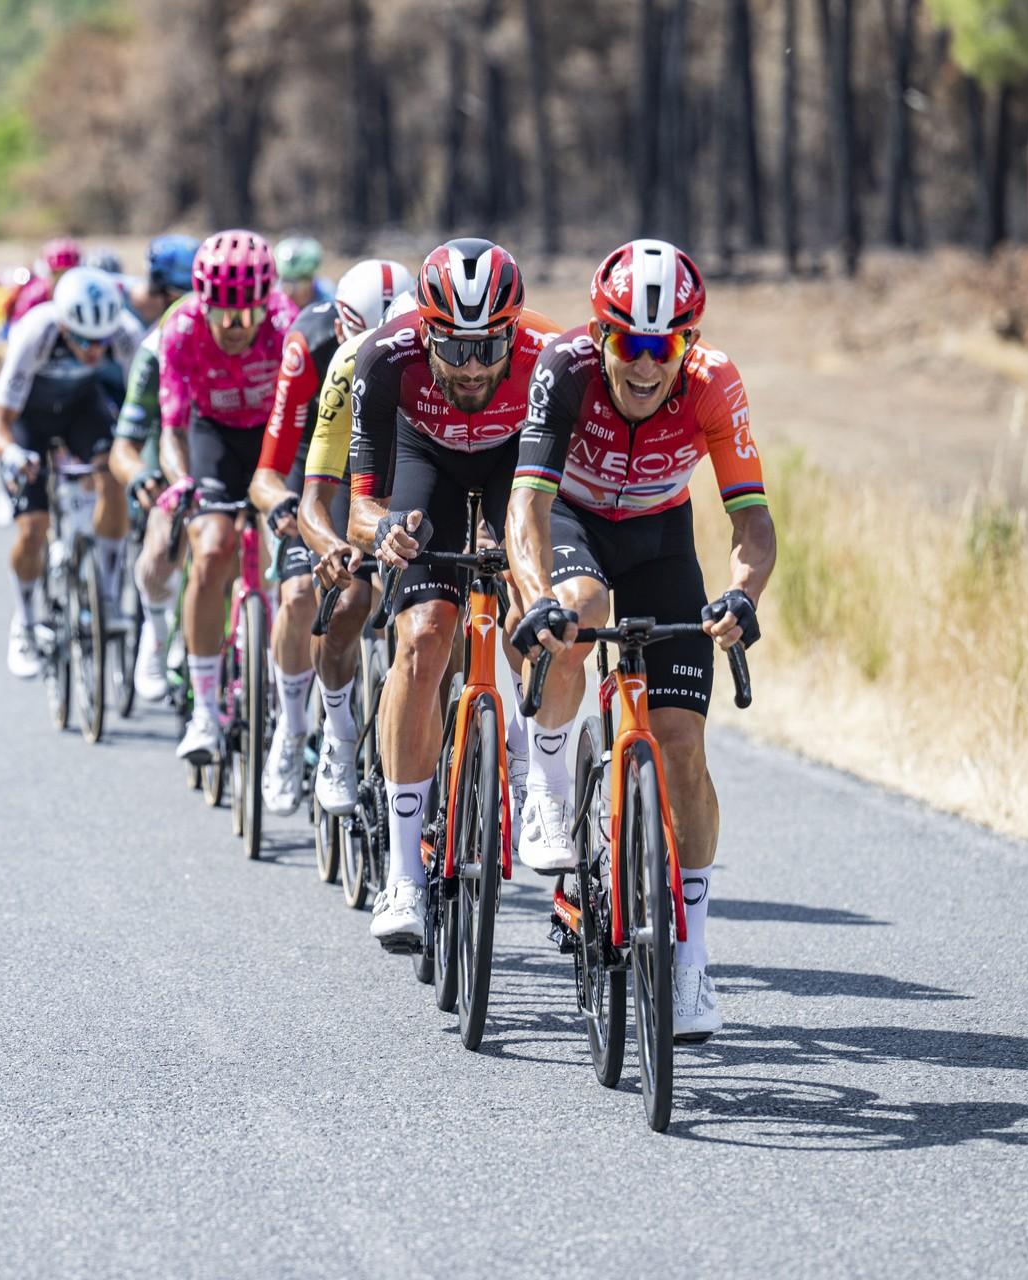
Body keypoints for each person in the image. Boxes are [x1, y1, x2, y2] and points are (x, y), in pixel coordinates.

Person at [506, 238, 775, 1041]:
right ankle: (551, 789)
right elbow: (525, 511)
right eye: (629, 342)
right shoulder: (564, 367)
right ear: (600, 334)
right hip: (574, 520)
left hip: (661, 536)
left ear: (687, 343)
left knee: (683, 745)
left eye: (667, 345)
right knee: (578, 608)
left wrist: (741, 594)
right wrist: (535, 602)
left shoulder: (713, 383)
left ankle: (691, 964)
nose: (647, 365)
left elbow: (752, 524)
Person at [346, 238, 562, 951]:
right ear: (424, 330)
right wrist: (386, 535)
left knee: (533, 613)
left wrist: (527, 547)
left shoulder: (547, 360)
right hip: (423, 459)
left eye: (488, 348)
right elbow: (362, 506)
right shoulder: (385, 359)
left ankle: (534, 776)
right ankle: (405, 876)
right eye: (454, 348)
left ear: (513, 332)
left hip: (512, 462)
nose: (472, 368)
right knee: (423, 635)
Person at [248, 258, 414, 815]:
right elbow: (267, 473)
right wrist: (287, 509)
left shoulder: (420, 347)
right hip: (319, 463)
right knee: (312, 596)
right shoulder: (311, 344)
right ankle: (295, 732)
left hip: (386, 468)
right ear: (343, 326)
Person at [157, 230, 298, 763]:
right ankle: (204, 709)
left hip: (273, 436)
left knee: (291, 560)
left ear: (268, 305)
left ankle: (289, 698)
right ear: (203, 304)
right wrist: (182, 482)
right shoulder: (181, 330)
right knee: (212, 548)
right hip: (212, 436)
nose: (236, 328)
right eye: (224, 315)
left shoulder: (287, 328)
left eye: (249, 315)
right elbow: (171, 429)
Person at [0, 267, 146, 677]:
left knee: (113, 472)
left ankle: (107, 594)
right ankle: (23, 620)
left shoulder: (124, 331)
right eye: (83, 340)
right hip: (29, 419)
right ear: (62, 324)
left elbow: (144, 403)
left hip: (80, 410)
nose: (94, 350)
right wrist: (12, 455)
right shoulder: (35, 332)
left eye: (101, 341)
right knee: (33, 527)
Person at [107, 235, 202, 701]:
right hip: (165, 438)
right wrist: (141, 475)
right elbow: (124, 444)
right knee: (166, 533)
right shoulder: (154, 345)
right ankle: (156, 621)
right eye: (182, 297)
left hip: (219, 437)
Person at [7, 238, 84, 324]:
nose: (62, 278)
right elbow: (20, 325)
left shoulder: (82, 292)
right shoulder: (36, 295)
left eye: (67, 272)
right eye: (57, 273)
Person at [276, 236, 334, 309]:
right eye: (285, 281)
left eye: (297, 284)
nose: (289, 291)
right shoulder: (274, 295)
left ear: (311, 280)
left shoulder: (328, 299)